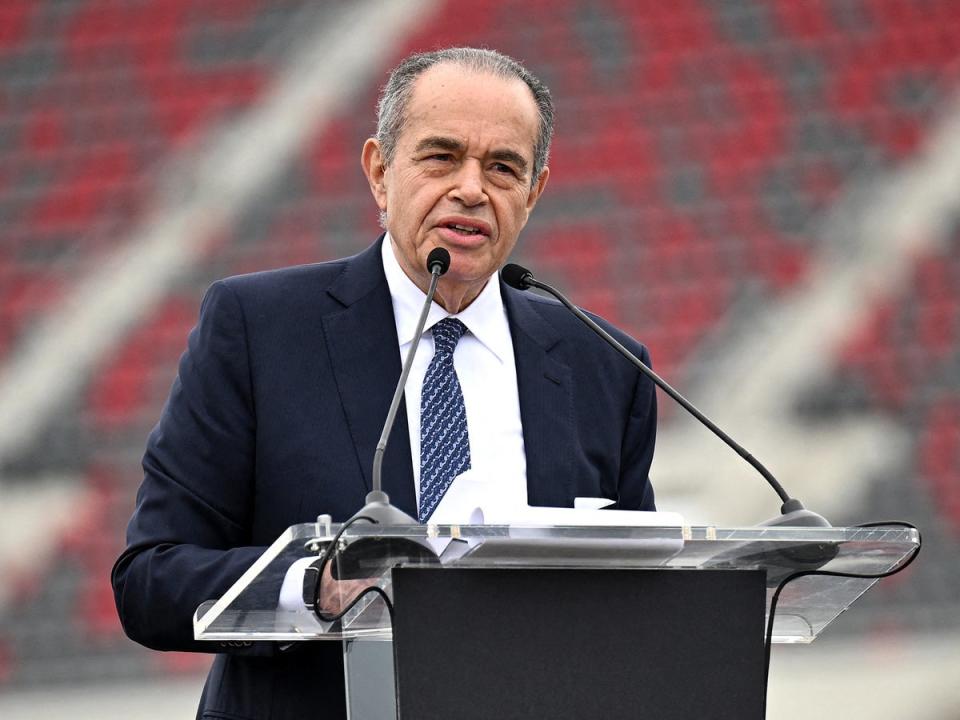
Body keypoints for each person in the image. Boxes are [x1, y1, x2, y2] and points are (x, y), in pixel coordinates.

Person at [112, 47, 657, 720]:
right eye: (441, 156)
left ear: (534, 193)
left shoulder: (605, 365)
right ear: (379, 171)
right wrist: (314, 585)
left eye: (503, 167)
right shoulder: (259, 329)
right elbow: (150, 580)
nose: (471, 188)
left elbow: (638, 602)